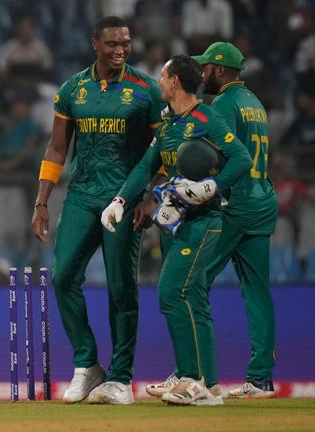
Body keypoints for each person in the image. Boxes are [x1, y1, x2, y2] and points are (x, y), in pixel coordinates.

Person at [102, 54, 252, 406]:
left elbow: (242, 158)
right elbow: (146, 165)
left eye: (162, 76)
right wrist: (121, 201)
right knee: (194, 300)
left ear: (174, 83)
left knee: (171, 293)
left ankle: (190, 378)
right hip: (175, 221)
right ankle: (209, 384)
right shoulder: (169, 122)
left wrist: (213, 186)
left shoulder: (206, 118)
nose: (158, 82)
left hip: (204, 221)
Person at [30, 16, 165, 405]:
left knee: (121, 287)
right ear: (95, 44)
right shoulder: (73, 89)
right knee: (62, 275)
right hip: (82, 196)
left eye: (126, 43)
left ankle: (121, 378)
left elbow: (162, 149)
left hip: (125, 199)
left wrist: (149, 194)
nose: (121, 50)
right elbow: (57, 149)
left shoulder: (146, 90)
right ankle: (87, 365)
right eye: (113, 44)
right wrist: (41, 201)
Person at [146, 42, 278, 400]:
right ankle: (261, 379)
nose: (201, 74)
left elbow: (208, 161)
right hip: (264, 201)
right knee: (257, 291)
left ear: (220, 71)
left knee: (190, 283)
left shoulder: (220, 105)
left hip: (234, 206)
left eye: (206, 68)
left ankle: (194, 375)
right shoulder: (255, 104)